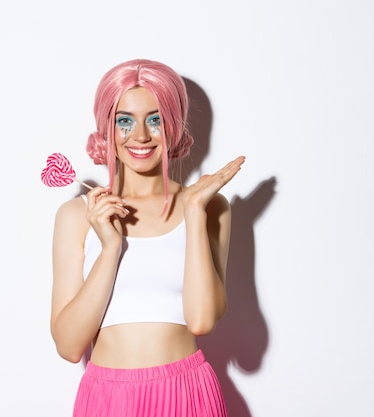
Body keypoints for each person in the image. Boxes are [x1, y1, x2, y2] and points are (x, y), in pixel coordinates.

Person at [50, 58, 245, 417]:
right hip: (107, 400)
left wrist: (193, 212)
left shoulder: (208, 206)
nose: (140, 135)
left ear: (174, 125)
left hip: (187, 394)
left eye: (155, 119)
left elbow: (201, 320)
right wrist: (110, 248)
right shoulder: (78, 215)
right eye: (124, 120)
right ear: (107, 128)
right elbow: (69, 345)